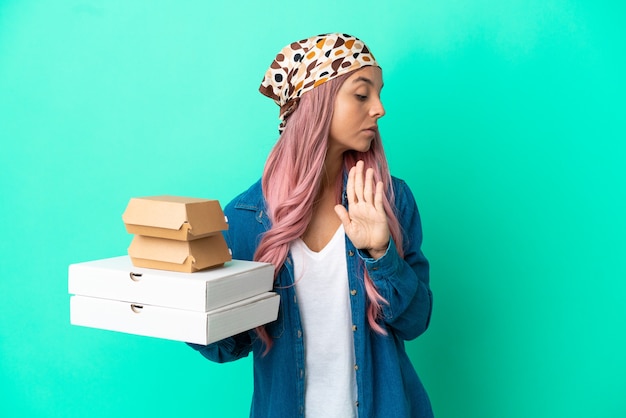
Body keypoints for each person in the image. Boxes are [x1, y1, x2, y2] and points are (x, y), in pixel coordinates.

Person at [189, 32, 434, 417]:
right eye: (361, 94)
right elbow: (229, 346)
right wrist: (183, 302)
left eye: (378, 93)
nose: (380, 109)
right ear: (316, 102)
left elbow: (415, 321)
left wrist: (381, 254)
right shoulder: (245, 217)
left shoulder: (389, 199)